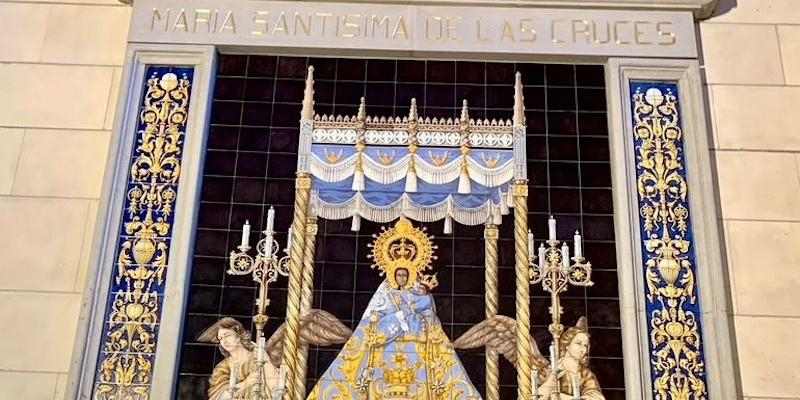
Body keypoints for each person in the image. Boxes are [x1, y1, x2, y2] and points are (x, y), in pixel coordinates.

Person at [307, 218, 481, 400]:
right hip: (386, 348)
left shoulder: (421, 295)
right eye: (399, 274)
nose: (402, 278)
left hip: (415, 347)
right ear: (392, 274)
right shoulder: (385, 295)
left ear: (410, 274)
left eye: (405, 274)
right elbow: (373, 321)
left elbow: (429, 319)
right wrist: (394, 321)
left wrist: (413, 316)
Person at [199, 318, 280, 400]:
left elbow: (276, 388)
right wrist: (247, 383)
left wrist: (266, 360)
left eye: (227, 335)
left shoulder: (259, 356)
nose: (224, 341)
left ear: (238, 336)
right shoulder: (222, 368)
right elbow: (219, 397)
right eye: (221, 338)